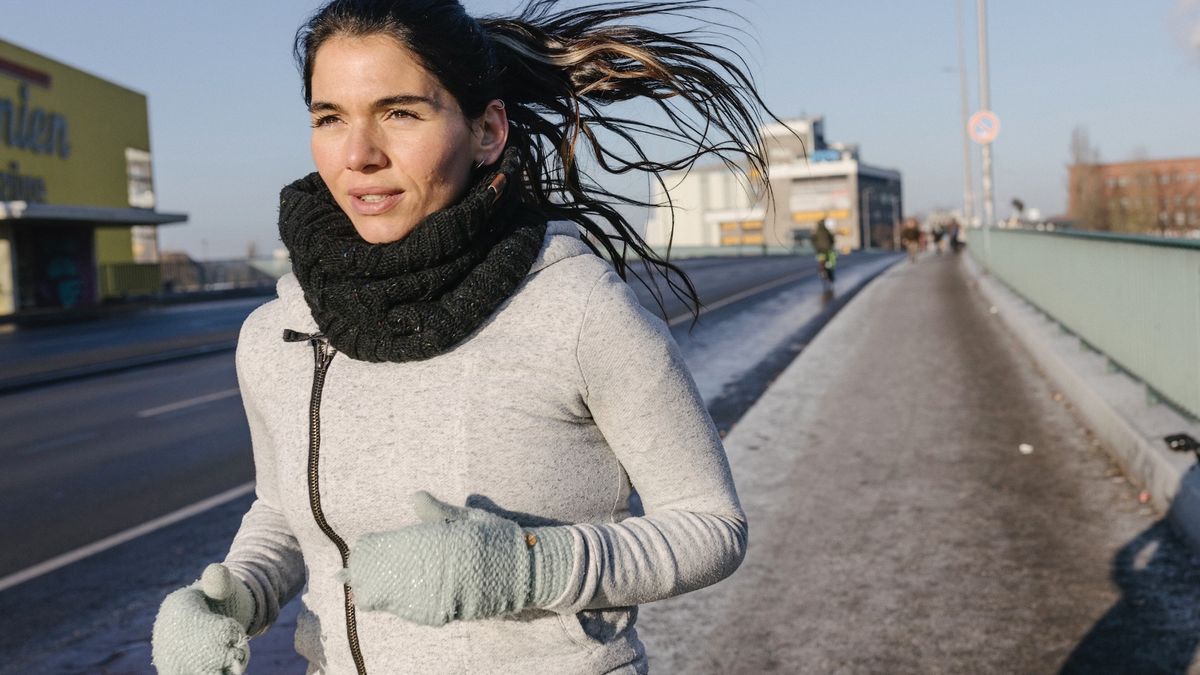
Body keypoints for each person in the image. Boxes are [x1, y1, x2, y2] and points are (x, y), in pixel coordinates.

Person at [150, 1, 780, 673]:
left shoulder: (578, 309)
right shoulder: (277, 333)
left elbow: (711, 525)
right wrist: (237, 593)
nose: (359, 154)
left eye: (400, 112)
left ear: (487, 131)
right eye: (330, 117)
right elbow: (283, 510)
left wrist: (528, 569)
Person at [812, 218, 837, 284]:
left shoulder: (816, 231)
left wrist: (816, 247)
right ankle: (829, 273)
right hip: (828, 250)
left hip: (819, 250)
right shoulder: (827, 231)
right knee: (831, 262)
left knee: (821, 262)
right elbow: (832, 240)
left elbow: (813, 240)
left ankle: (822, 271)